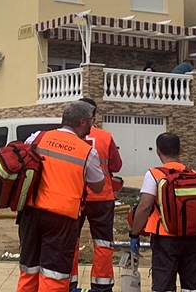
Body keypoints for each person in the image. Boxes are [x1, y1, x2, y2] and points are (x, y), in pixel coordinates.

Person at [16, 101, 105, 292]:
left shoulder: (37, 138)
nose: (92, 124)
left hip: (31, 213)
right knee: (54, 275)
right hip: (62, 219)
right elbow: (98, 187)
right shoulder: (87, 152)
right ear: (82, 122)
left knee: (29, 269)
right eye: (91, 120)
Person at [128, 133, 196, 292]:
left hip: (165, 241)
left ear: (158, 151)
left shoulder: (154, 175)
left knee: (163, 286)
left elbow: (144, 207)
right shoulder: (195, 175)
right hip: (194, 239)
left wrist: (135, 234)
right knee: (195, 287)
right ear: (181, 150)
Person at [70, 98, 123, 292]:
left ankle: (68, 283)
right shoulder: (105, 137)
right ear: (93, 115)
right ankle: (102, 286)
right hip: (102, 198)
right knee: (102, 243)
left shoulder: (68, 137)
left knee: (70, 240)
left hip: (75, 196)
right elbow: (116, 166)